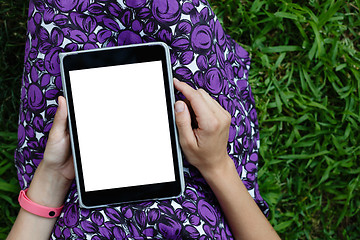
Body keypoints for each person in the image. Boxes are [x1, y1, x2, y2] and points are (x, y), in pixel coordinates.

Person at [9, 0, 278, 239]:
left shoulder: (59, 171)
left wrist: (54, 174)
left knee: (59, 17)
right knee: (174, 14)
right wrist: (217, 165)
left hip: (69, 182)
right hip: (202, 172)